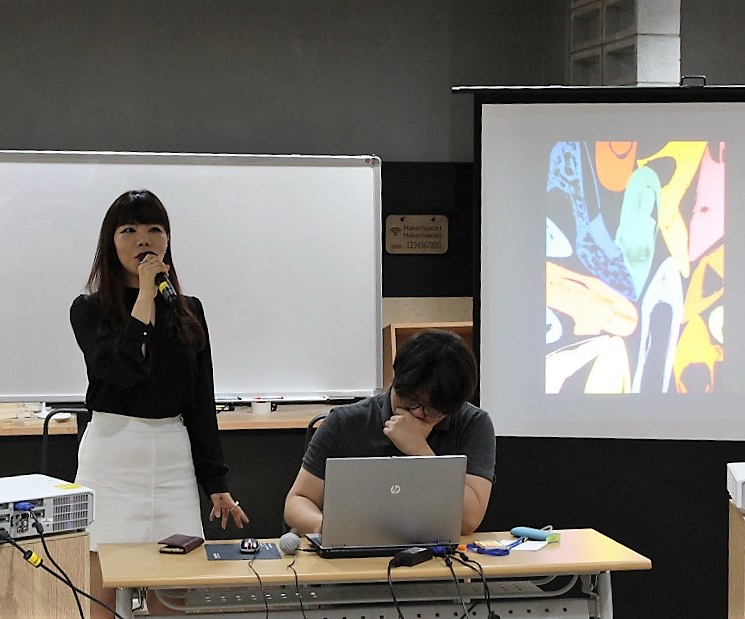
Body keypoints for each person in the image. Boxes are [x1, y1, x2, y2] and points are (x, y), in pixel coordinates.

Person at [70, 189, 248, 616]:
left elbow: (201, 402)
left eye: (154, 229)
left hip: (172, 457)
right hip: (112, 456)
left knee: (172, 594)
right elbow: (120, 370)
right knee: (101, 594)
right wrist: (145, 298)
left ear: (167, 240)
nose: (143, 240)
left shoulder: (188, 311)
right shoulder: (89, 309)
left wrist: (216, 483)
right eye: (129, 230)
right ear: (111, 243)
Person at [284, 329, 495, 536]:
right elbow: (298, 501)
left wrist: (420, 451)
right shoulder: (345, 422)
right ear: (396, 379)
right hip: (351, 550)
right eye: (411, 400)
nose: (417, 413)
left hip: (437, 553)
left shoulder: (473, 423)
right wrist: (326, 527)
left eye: (432, 410)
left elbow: (468, 520)